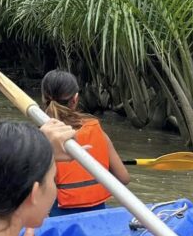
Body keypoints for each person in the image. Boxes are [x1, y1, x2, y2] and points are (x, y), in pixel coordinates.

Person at [40, 70, 129, 215]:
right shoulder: (96, 131)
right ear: (75, 99)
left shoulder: (41, 139)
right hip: (96, 216)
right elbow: (124, 178)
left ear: (44, 99)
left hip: (58, 218)